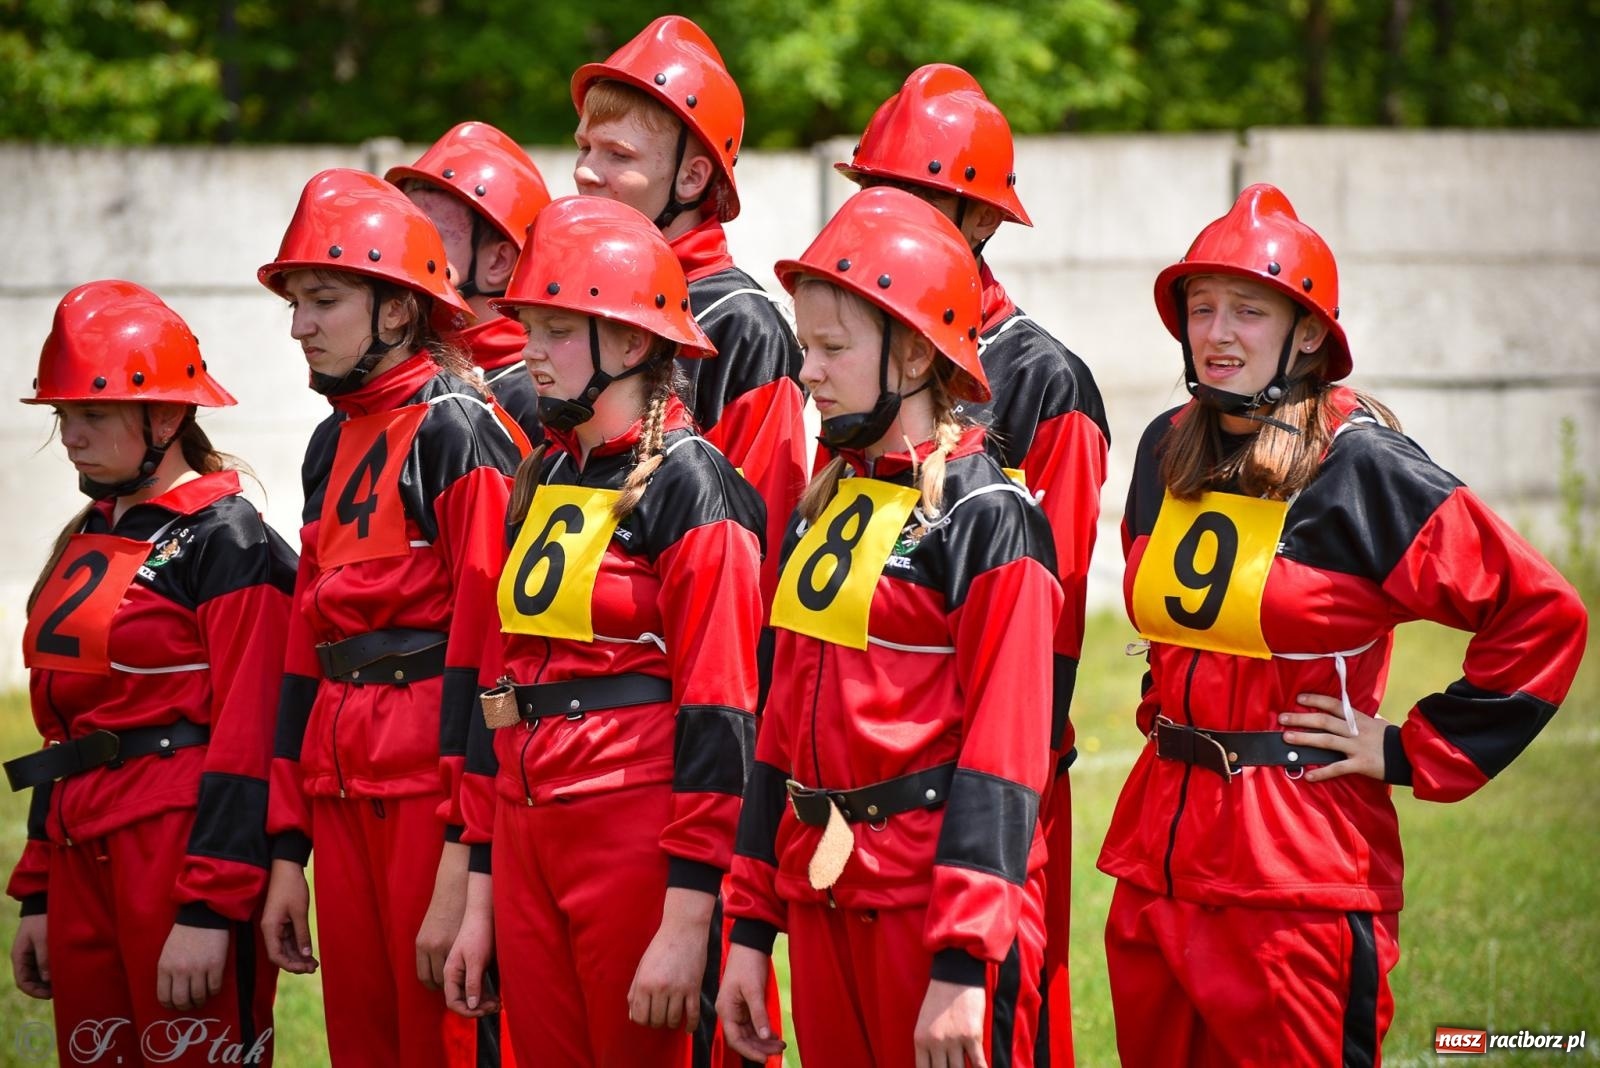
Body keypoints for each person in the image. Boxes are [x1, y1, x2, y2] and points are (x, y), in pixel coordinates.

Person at [1099, 183, 1589, 1065]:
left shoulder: (1363, 464)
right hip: (1155, 866)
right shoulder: (1164, 444)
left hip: (1299, 878)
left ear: (1311, 332)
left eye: (1248, 311)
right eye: (1201, 308)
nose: (1216, 333)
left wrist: (1410, 750)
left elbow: (1541, 614)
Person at [719, 187, 1062, 1068]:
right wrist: (753, 924)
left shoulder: (990, 515)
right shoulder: (822, 506)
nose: (809, 372)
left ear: (914, 354)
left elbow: (1006, 753)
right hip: (823, 903)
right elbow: (778, 728)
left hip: (934, 917)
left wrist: (961, 959)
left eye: (833, 348)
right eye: (806, 347)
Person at [442, 195, 765, 1068]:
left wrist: (689, 911)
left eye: (554, 331)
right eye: (528, 328)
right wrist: (481, 891)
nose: (528, 353)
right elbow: (497, 681)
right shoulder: (542, 470)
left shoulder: (696, 485)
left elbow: (723, 710)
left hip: (638, 838)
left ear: (629, 343)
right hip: (525, 829)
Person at [837, 64, 1109, 1063]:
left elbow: (1057, 611)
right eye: (869, 193)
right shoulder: (851, 353)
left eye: (904, 196)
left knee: (1010, 1022)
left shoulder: (1043, 378)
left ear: (973, 218)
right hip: (866, 788)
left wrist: (1011, 801)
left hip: (998, 774)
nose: (879, 220)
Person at [256, 169, 524, 1068]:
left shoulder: (462, 429)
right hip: (340, 789)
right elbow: (305, 646)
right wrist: (287, 845)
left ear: (399, 311)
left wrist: (466, 849)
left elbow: (490, 652)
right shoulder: (330, 441)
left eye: (323, 299)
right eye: (296, 302)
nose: (300, 325)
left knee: (445, 1044)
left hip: (428, 794)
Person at [8, 280, 293, 1065]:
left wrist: (209, 905)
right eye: (63, 415)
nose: (69, 435)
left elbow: (251, 728)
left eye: (91, 413)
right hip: (79, 852)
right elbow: (63, 725)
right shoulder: (92, 532)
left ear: (165, 418)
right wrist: (39, 886)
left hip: (178, 854)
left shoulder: (229, 540)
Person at [572, 14, 806, 611]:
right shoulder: (573, 303)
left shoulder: (740, 322)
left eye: (616, 153)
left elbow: (762, 528)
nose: (584, 171)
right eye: (584, 146)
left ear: (691, 175)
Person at [388, 120, 553, 445]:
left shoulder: (540, 398)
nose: (405, 256)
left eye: (431, 237)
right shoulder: (401, 376)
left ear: (498, 262)